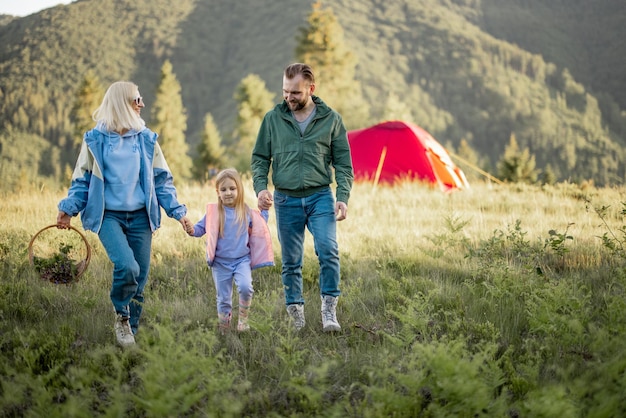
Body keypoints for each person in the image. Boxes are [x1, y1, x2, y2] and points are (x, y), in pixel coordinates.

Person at [56, 81, 193, 347]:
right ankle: (121, 315)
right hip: (109, 216)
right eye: (136, 100)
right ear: (121, 103)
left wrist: (178, 212)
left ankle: (131, 332)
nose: (142, 104)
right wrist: (68, 209)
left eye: (141, 100)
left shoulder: (146, 139)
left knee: (140, 278)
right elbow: (82, 180)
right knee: (127, 266)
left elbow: (162, 180)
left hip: (141, 217)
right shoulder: (95, 140)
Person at [251, 63, 354, 332]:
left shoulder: (331, 119)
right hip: (286, 200)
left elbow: (343, 163)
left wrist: (342, 196)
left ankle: (329, 311)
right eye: (285, 91)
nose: (289, 97)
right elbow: (260, 157)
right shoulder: (273, 118)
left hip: (320, 197)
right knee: (291, 262)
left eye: (295, 92)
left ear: (311, 88)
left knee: (329, 252)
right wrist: (261, 188)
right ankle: (296, 314)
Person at [187, 168, 274, 333]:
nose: (228, 193)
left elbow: (260, 223)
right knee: (224, 299)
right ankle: (224, 327)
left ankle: (243, 320)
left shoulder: (245, 211)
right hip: (220, 263)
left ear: (239, 189)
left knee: (246, 287)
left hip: (242, 260)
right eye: (224, 189)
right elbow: (199, 229)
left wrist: (265, 209)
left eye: (232, 189)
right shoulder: (214, 213)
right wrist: (191, 230)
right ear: (218, 192)